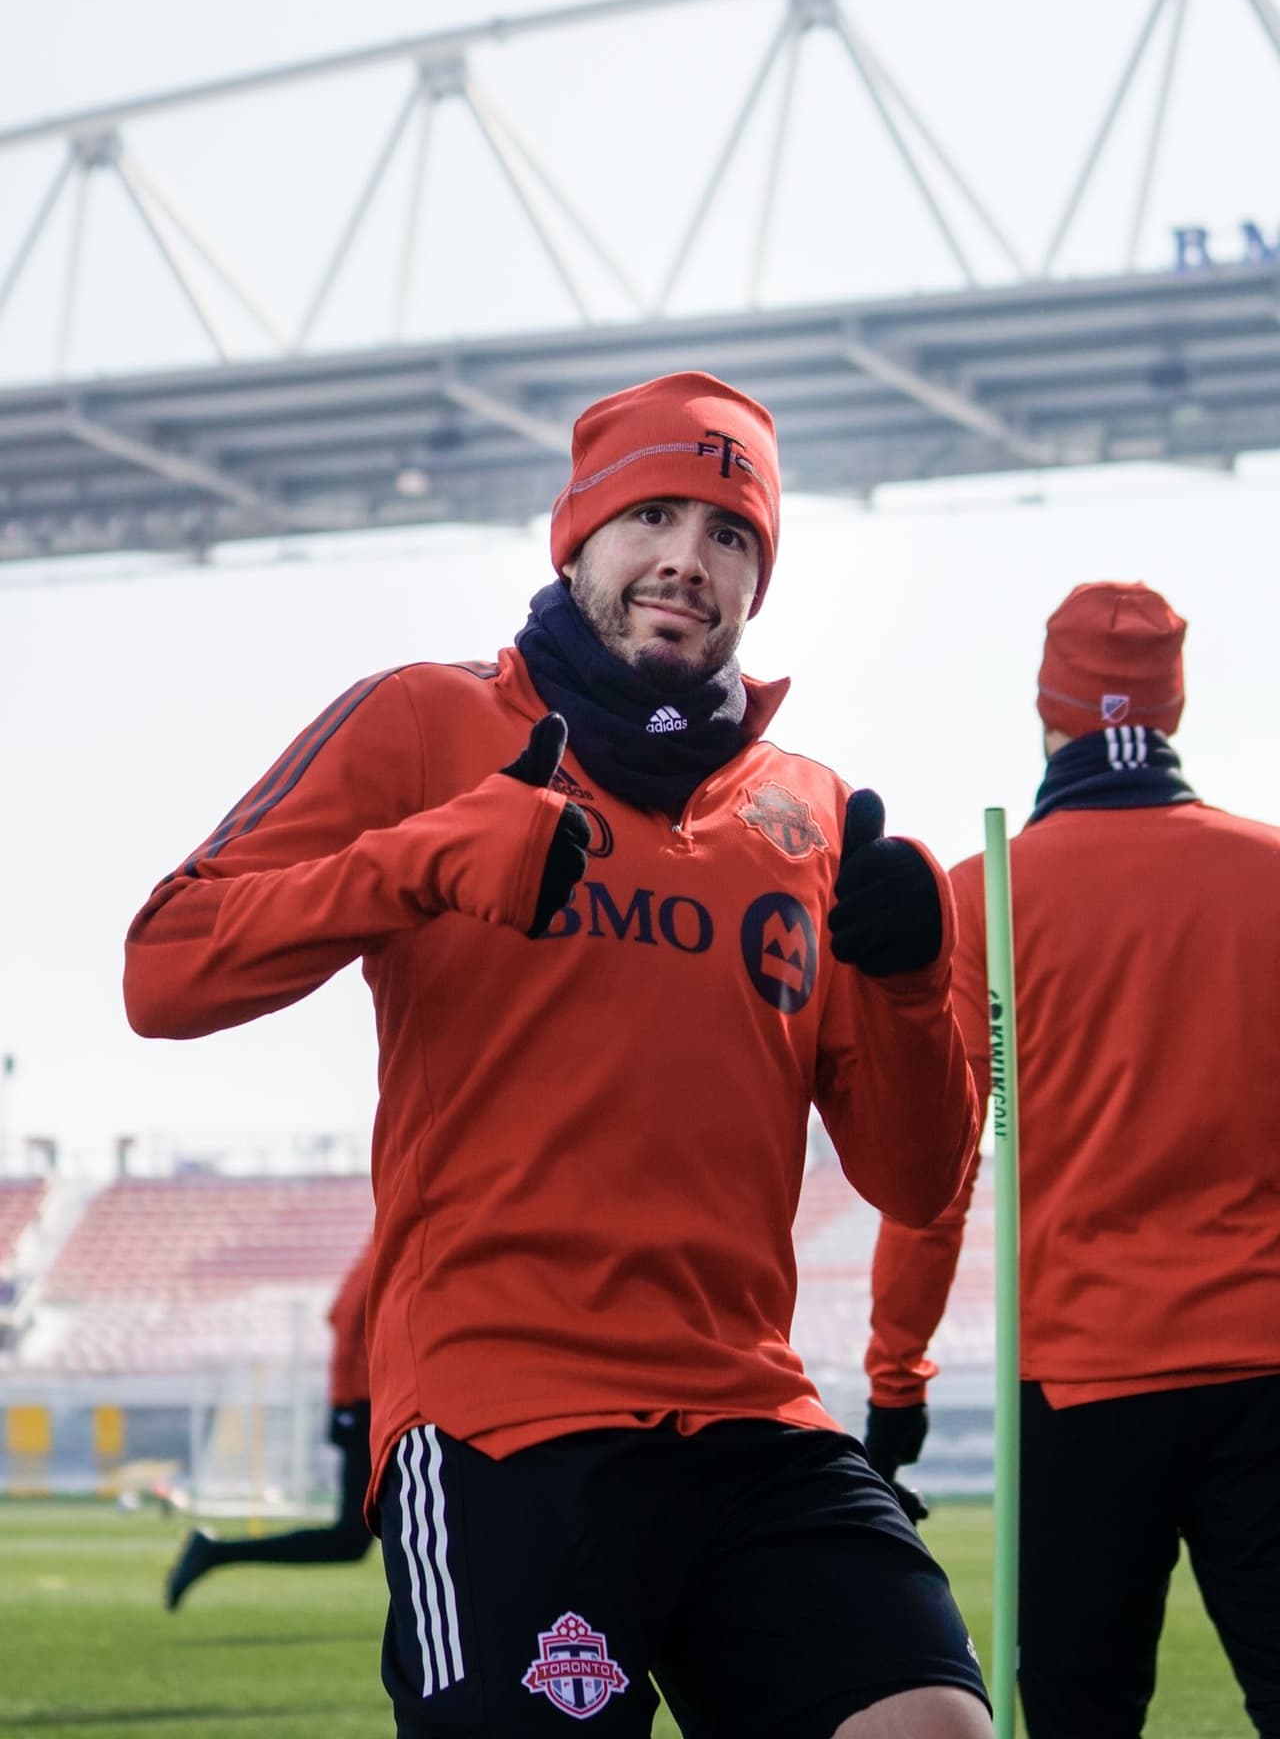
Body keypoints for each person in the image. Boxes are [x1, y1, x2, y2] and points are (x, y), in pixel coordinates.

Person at [125, 371, 990, 1738]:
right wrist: (420, 861)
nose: (688, 562)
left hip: (749, 1414)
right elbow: (165, 966)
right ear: (574, 537)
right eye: (654, 515)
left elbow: (922, 1178)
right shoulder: (425, 721)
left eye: (732, 536)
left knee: (931, 1724)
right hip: (500, 1416)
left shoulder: (816, 814)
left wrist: (912, 984)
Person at [863, 581, 1280, 1739]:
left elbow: (930, 1180)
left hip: (1081, 1388)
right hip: (1266, 1367)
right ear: (1174, 707)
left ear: (1048, 714)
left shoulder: (981, 895)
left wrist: (895, 1393)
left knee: (1078, 1717)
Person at [165, 1234, 375, 1608]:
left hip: (380, 1403)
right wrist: (345, 1403)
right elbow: (344, 1316)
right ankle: (214, 1552)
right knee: (353, 1538)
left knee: (373, 1535)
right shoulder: (395, 1237)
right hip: (368, 1406)